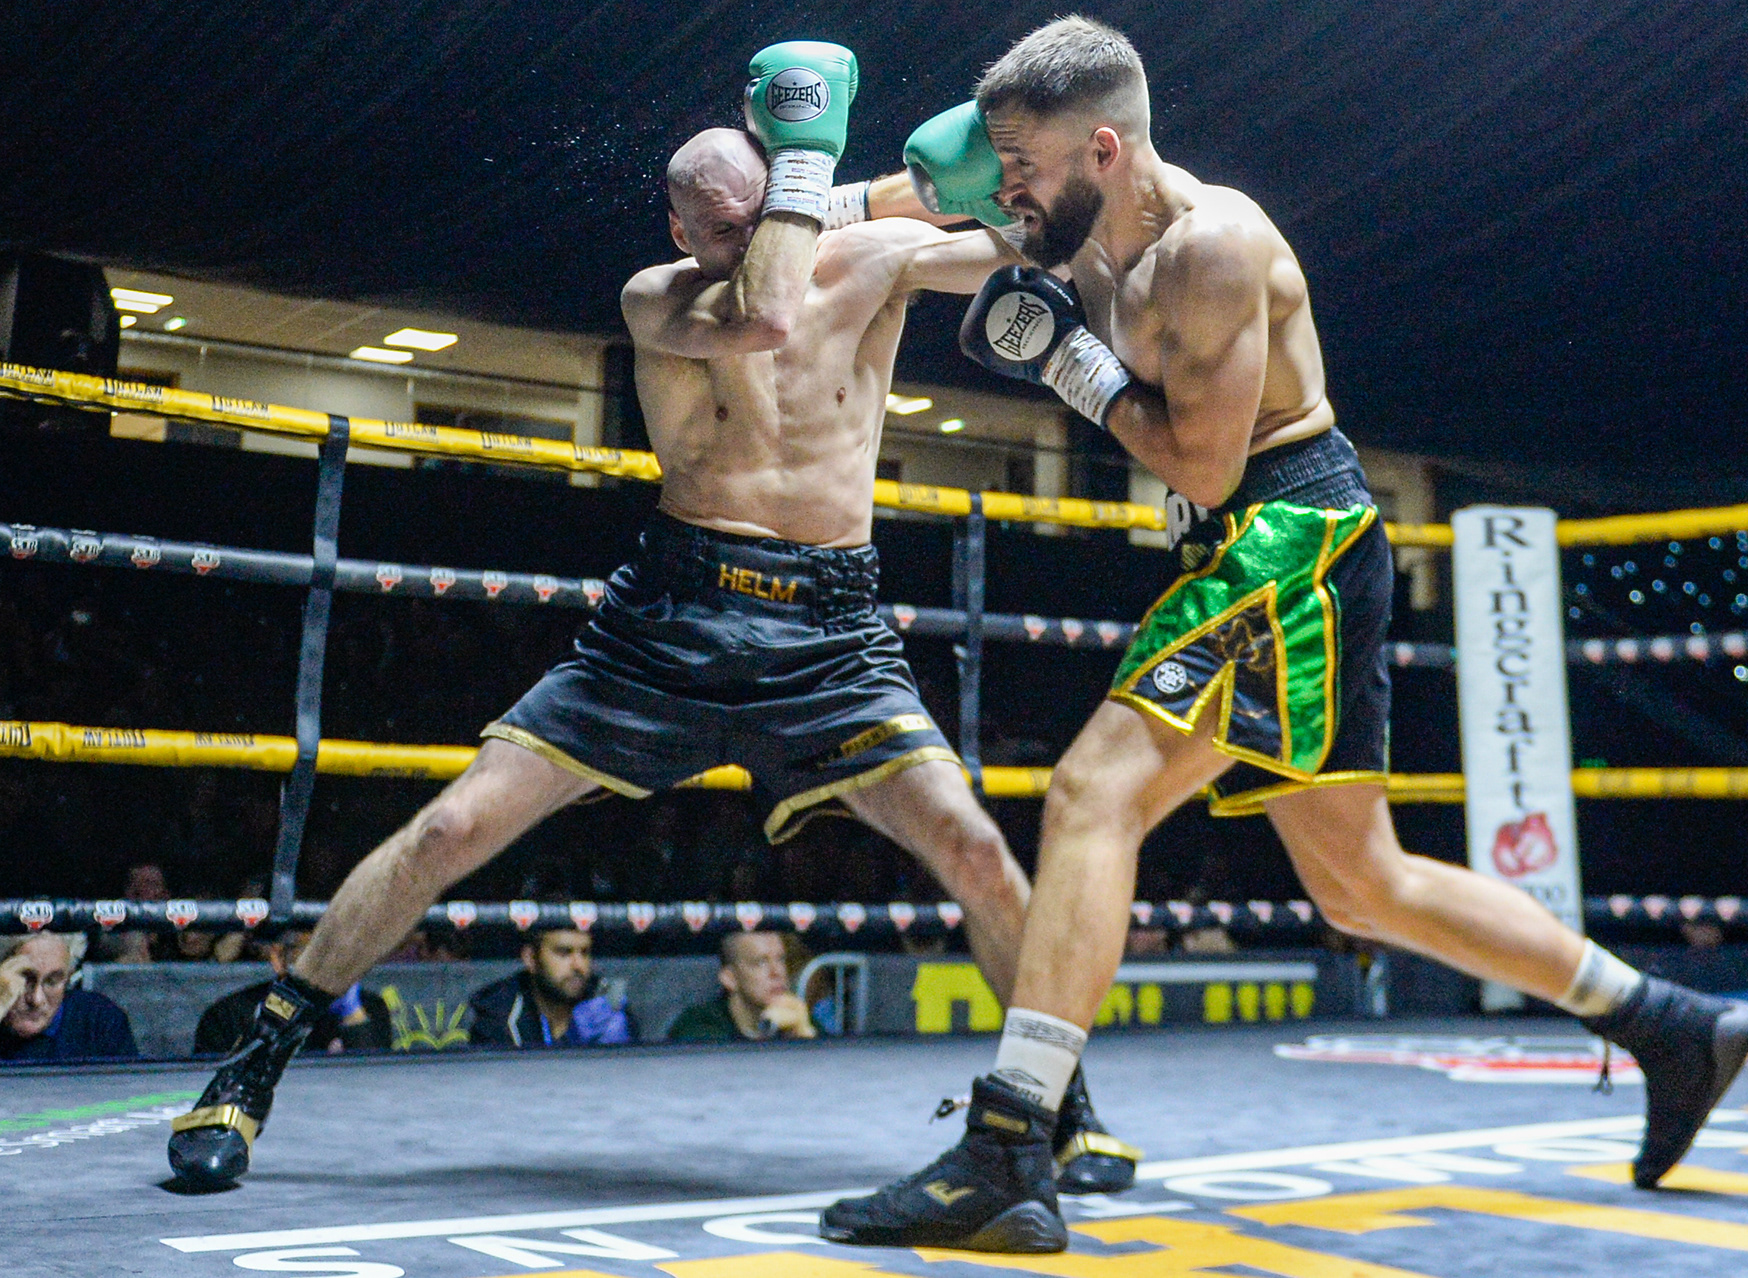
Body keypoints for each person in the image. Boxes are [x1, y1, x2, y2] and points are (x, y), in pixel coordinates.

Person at [823, 18, 1748, 1253]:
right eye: (1001, 168)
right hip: (1264, 550)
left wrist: (1072, 367)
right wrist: (794, 205)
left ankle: (1009, 1142)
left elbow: (1205, 470)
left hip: (1285, 539)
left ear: (1103, 150)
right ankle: (1667, 1024)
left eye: (1026, 168)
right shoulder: (1068, 217)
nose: (1008, 191)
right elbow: (917, 223)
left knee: (1094, 793)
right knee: (1361, 883)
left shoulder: (1215, 247)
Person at [168, 38, 1134, 1193]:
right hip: (668, 621)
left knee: (974, 847)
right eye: (720, 229)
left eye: (757, 217)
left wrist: (1030, 186)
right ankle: (253, 1064)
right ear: (684, 230)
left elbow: (1051, 252)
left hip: (830, 633)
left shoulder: (871, 259)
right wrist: (813, 175)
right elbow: (765, 314)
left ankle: (1055, 1099)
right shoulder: (658, 297)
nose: (744, 241)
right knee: (450, 831)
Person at [193, 929, 390, 1056]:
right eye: (314, 952)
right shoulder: (228, 1015)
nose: (327, 961)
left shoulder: (369, 1007)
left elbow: (379, 1087)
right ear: (279, 958)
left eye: (335, 951)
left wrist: (353, 1018)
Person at [470, 927, 636, 1047]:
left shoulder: (605, 1004)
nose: (578, 965)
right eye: (564, 952)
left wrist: (620, 1053)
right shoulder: (498, 1014)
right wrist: (568, 1044)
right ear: (531, 959)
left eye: (584, 952)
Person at [0, 933, 138, 1061]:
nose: (37, 1000)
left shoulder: (100, 1021)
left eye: (52, 982)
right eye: (25, 980)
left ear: (69, 977)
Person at [668, 931, 814, 1042]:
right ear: (730, 978)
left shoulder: (796, 1015)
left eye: (781, 959)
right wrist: (766, 1032)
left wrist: (804, 1035)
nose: (777, 972)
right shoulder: (698, 1026)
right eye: (761, 962)